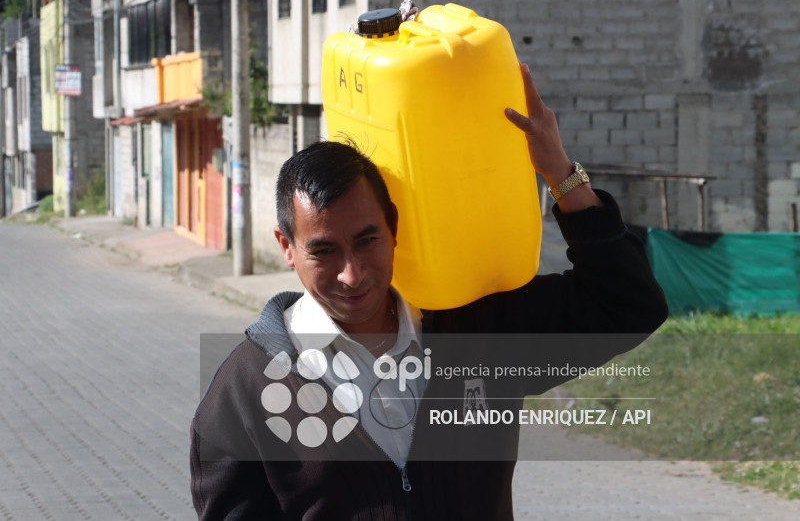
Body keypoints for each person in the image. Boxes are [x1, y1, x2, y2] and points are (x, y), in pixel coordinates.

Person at [190, 64, 668, 520]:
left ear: (393, 228)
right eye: (324, 251)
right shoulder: (245, 392)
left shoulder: (479, 330)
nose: (352, 274)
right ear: (286, 247)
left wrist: (559, 172)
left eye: (367, 241)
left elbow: (628, 305)